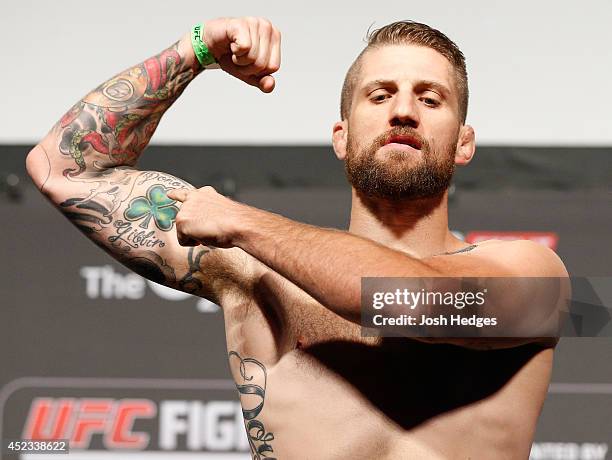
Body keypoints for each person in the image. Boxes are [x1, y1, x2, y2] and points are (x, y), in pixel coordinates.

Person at [27, 16, 568, 459]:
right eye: (379, 96)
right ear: (341, 136)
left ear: (464, 143)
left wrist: (242, 222)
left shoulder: (535, 275)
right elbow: (65, 169)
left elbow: (404, 299)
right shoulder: (253, 274)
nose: (403, 110)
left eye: (431, 99)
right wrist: (196, 50)